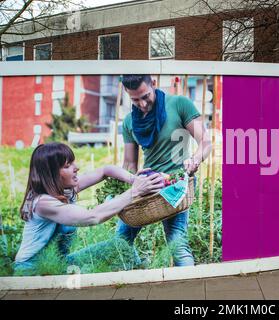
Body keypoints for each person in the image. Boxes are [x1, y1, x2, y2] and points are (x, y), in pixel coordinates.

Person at [14, 142, 163, 275]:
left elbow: (105, 170)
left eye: (73, 163)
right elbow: (92, 217)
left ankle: (139, 274)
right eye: (67, 166)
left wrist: (134, 180)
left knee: (118, 245)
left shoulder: (63, 190)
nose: (76, 168)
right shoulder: (43, 203)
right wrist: (134, 191)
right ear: (51, 174)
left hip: (58, 263)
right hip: (32, 271)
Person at [117, 74, 212, 266]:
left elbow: (206, 142)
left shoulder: (179, 104)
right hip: (148, 186)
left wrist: (194, 160)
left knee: (177, 246)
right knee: (121, 241)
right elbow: (130, 165)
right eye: (135, 100)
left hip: (175, 186)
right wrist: (123, 189)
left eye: (145, 96)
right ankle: (141, 270)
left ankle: (189, 289)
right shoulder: (128, 122)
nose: (142, 104)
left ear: (153, 84)